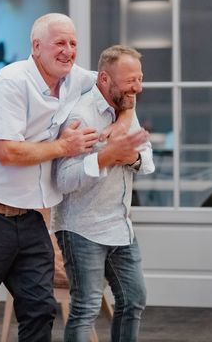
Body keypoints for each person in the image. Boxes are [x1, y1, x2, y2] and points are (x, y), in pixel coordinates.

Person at [0, 14, 132, 342]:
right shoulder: (12, 81)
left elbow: (123, 84)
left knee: (40, 308)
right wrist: (64, 146)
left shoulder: (73, 79)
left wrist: (122, 122)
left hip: (28, 218)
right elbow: (6, 153)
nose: (68, 51)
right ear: (36, 47)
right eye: (60, 43)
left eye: (73, 43)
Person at [52, 45, 154, 342]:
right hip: (81, 228)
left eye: (140, 78)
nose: (138, 87)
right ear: (105, 79)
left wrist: (129, 158)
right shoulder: (80, 116)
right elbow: (63, 179)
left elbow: (146, 161)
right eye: (130, 81)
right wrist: (106, 156)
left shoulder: (125, 109)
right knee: (86, 308)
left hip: (121, 226)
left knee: (133, 299)